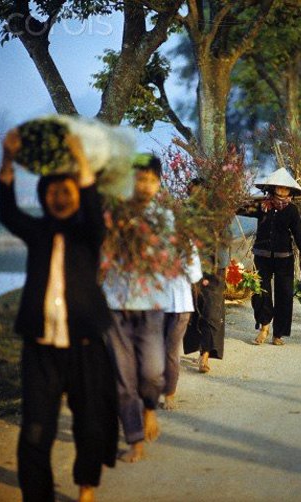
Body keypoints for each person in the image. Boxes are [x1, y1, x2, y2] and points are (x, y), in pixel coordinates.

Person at [0, 129, 118, 502]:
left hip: (86, 346)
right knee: (35, 429)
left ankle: (86, 486)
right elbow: (6, 210)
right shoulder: (36, 232)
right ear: (43, 197)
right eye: (52, 191)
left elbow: (95, 209)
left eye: (67, 191)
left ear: (77, 196)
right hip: (41, 349)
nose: (59, 196)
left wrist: (79, 158)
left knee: (91, 422)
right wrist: (8, 158)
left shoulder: (89, 233)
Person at [103, 155, 201, 460]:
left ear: (158, 184)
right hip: (116, 305)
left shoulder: (167, 219)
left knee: (152, 371)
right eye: (138, 179)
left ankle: (149, 408)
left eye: (150, 180)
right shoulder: (113, 215)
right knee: (122, 376)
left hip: (151, 305)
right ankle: (134, 440)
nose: (144, 185)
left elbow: (188, 257)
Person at [239, 167, 301, 345]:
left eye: (285, 188)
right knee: (260, 291)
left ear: (289, 190)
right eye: (277, 187)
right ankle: (264, 325)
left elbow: (299, 233)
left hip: (284, 257)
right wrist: (231, 201)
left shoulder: (292, 210)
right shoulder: (261, 205)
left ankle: (278, 333)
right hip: (262, 256)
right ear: (272, 188)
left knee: (285, 294)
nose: (281, 190)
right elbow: (240, 208)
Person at [183, 177, 229, 374]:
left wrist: (223, 268)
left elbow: (225, 242)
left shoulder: (217, 215)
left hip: (213, 267)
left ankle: (205, 355)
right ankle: (199, 348)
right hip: (190, 268)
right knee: (193, 311)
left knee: (211, 311)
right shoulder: (185, 214)